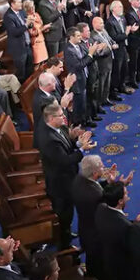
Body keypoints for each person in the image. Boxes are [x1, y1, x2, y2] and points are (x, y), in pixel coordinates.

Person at [36, 103, 95, 248]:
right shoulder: (48, 139)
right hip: (60, 184)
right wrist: (82, 150)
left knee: (67, 214)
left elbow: (67, 147)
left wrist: (78, 143)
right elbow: (65, 161)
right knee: (64, 214)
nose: (64, 117)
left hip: (66, 178)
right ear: (50, 118)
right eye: (60, 116)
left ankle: (67, 233)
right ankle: (64, 247)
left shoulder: (57, 128)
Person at [63, 27, 100, 127]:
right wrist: (90, 54)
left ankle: (86, 121)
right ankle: (79, 127)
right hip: (77, 81)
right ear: (71, 37)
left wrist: (93, 52)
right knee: (79, 107)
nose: (80, 37)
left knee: (85, 103)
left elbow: (86, 57)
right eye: (78, 36)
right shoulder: (69, 50)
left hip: (85, 77)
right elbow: (78, 65)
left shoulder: (79, 45)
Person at [2, 0, 33, 82]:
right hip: (18, 49)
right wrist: (26, 25)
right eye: (19, 2)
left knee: (30, 69)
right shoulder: (8, 16)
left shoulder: (22, 11)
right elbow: (14, 32)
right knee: (21, 73)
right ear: (12, 4)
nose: (21, 3)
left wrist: (30, 23)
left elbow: (27, 25)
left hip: (27, 45)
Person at [22, 0, 48, 68]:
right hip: (36, 43)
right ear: (27, 9)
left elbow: (41, 25)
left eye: (33, 6)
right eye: (31, 7)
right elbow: (31, 33)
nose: (33, 8)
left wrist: (45, 29)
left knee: (43, 62)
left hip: (42, 40)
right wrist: (42, 29)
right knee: (37, 64)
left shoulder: (36, 15)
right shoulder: (27, 19)